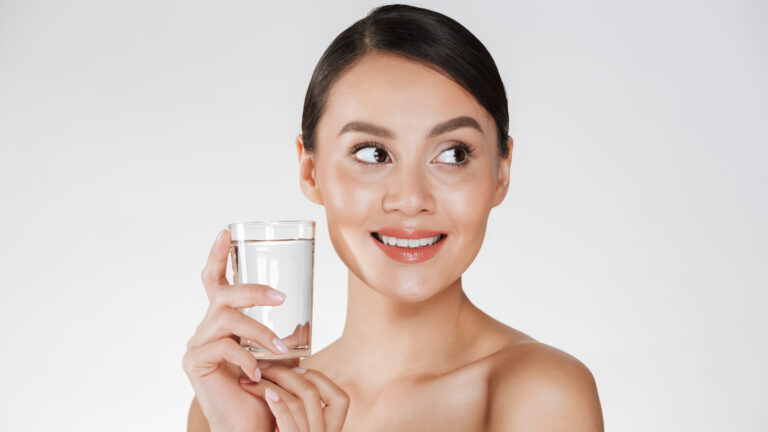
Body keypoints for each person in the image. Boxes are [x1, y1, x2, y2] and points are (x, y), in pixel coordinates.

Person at [183, 4, 604, 431]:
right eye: (372, 153)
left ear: (501, 172)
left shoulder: (541, 393)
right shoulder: (233, 406)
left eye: (453, 154)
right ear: (311, 172)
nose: (410, 199)